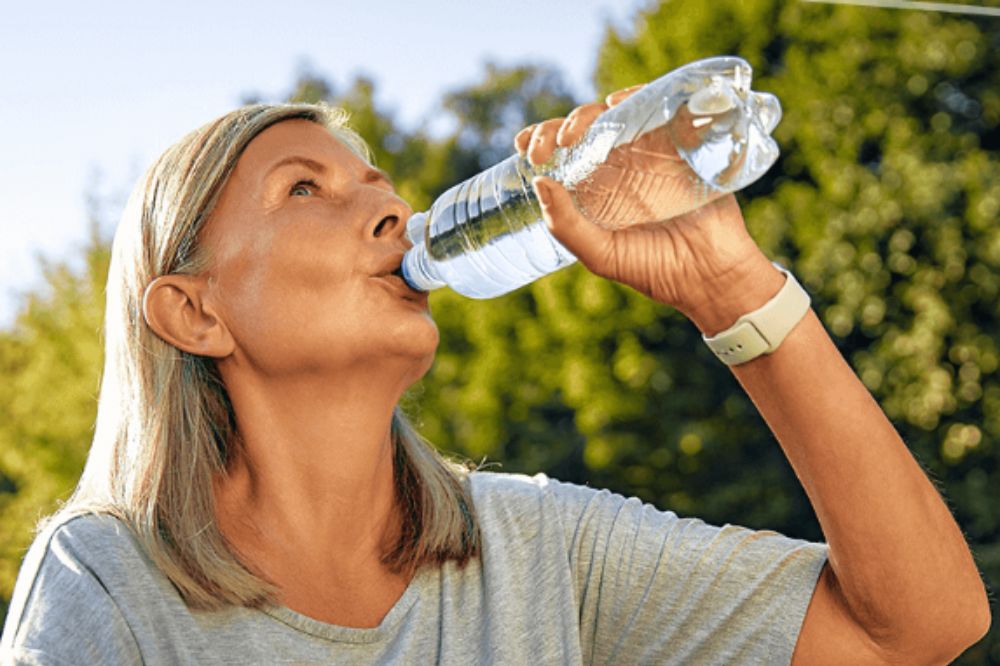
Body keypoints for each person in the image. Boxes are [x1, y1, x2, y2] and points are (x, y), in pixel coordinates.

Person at [0, 87, 989, 665]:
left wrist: (730, 289)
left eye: (378, 182)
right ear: (194, 313)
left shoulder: (535, 548)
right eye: (304, 188)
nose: (392, 209)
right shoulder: (108, 581)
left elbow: (919, 630)